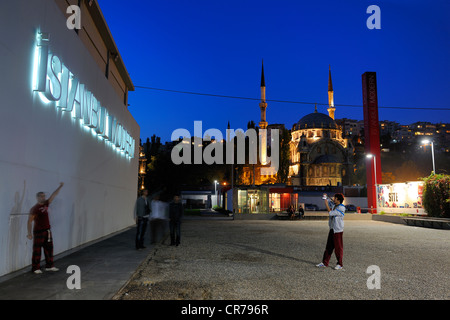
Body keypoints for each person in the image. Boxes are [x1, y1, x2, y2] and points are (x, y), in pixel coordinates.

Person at [27, 182, 64, 274]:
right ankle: (35, 268)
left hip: (47, 231)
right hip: (38, 232)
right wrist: (29, 233)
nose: (43, 198)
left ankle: (49, 266)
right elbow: (29, 221)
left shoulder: (46, 204)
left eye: (44, 196)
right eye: (41, 196)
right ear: (37, 198)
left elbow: (53, 195)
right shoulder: (34, 208)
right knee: (37, 250)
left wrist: (60, 186)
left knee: (49, 249)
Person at [316, 193, 346, 270]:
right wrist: (326, 197)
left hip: (338, 230)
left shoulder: (341, 208)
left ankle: (340, 264)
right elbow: (330, 202)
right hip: (332, 229)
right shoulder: (335, 205)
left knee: (338, 248)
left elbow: (330, 213)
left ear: (338, 200)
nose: (334, 199)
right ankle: (324, 262)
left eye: (335, 198)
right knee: (328, 247)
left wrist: (325, 201)